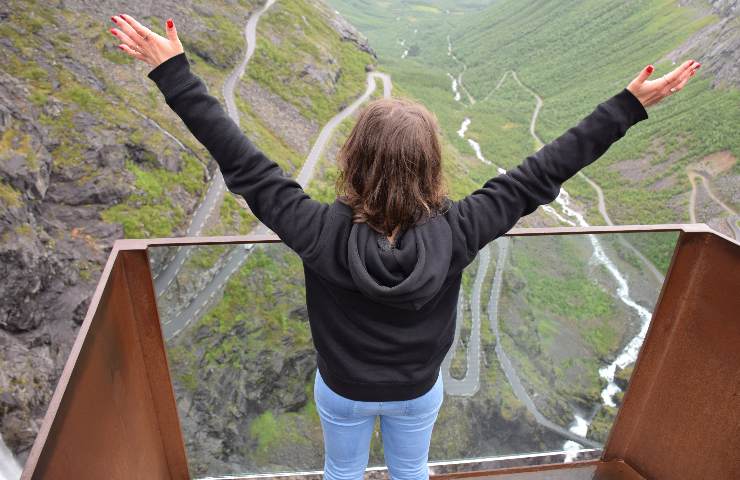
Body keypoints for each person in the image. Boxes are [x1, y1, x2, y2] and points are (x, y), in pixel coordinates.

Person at [108, 13, 700, 480]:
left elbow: (242, 162)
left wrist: (174, 73)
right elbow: (543, 172)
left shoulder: (314, 232)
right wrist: (628, 105)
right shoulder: (461, 230)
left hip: (342, 389)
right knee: (411, 470)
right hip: (417, 390)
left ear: (352, 161)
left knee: (341, 470)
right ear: (432, 166)